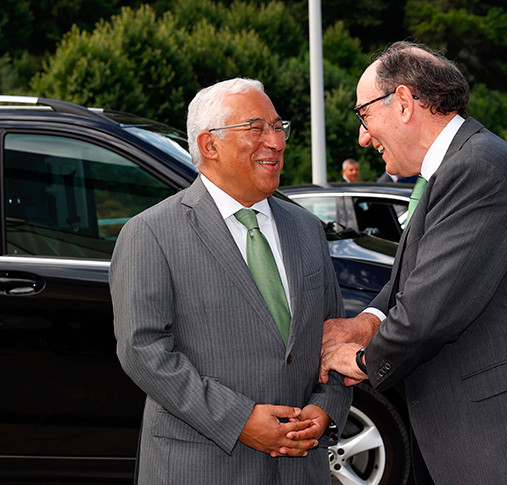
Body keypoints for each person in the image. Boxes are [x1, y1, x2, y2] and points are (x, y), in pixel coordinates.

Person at [319, 41, 507, 484]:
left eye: (363, 114)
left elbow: (428, 311)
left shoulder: (478, 168)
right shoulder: (456, 166)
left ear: (402, 102)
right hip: (492, 440)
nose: (362, 136)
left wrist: (360, 359)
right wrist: (367, 319)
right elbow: (416, 277)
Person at [110, 78, 351, 484]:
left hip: (301, 470)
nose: (275, 142)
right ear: (209, 145)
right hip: (201, 468)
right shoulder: (150, 232)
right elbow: (143, 351)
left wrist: (326, 408)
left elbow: (333, 338)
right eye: (257, 129)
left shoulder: (308, 229)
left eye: (279, 127)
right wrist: (238, 420)